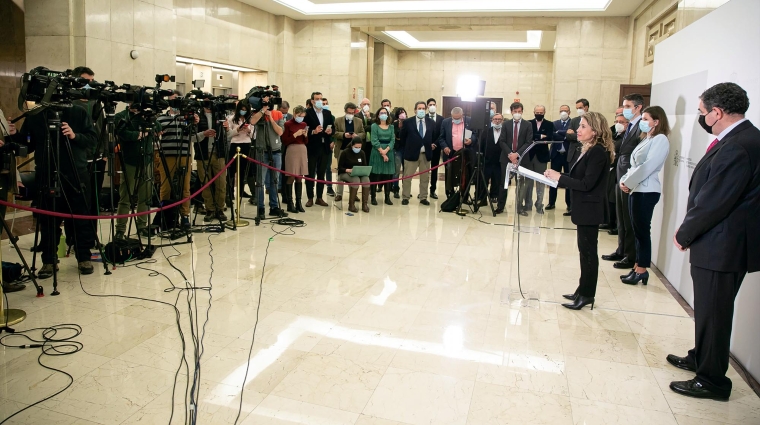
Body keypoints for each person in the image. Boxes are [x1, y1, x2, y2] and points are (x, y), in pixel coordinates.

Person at [668, 83, 760, 401]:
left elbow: (715, 200)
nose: (701, 117)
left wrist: (685, 233)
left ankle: (712, 380)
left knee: (716, 312)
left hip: (722, 246)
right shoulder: (742, 139)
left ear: (716, 113)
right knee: (708, 309)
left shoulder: (739, 145)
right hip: (720, 244)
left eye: (702, 112)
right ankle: (700, 356)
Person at [13, 102, 98, 276]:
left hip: (76, 174)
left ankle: (84, 257)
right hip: (47, 173)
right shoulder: (36, 115)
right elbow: (27, 146)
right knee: (48, 220)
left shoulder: (78, 112)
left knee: (81, 218)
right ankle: (49, 261)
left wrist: (75, 136)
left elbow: (92, 139)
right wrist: (14, 136)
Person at [544, 111, 613, 310]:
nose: (578, 130)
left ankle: (587, 295)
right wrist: (559, 177)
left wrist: (559, 177)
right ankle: (581, 290)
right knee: (584, 252)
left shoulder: (598, 151)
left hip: (590, 209)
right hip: (584, 208)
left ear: (595, 130)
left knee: (589, 254)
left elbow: (586, 183)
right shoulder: (588, 148)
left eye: (583, 126)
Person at [619, 106, 670, 285]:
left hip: (647, 190)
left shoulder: (661, 139)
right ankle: (636, 266)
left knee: (642, 232)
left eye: (646, 119)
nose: (643, 122)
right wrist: (623, 180)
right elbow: (634, 165)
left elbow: (648, 166)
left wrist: (628, 182)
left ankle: (642, 269)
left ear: (656, 121)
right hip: (636, 189)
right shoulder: (646, 139)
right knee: (637, 230)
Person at [602, 93, 644, 269]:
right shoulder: (630, 126)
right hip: (620, 176)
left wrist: (629, 179)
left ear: (637, 107)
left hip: (630, 179)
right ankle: (621, 249)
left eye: (627, 107)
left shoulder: (641, 127)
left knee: (628, 218)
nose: (625, 110)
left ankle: (630, 254)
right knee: (620, 216)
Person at [113, 104, 161, 240]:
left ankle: (142, 226)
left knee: (145, 196)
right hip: (130, 161)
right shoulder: (121, 116)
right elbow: (123, 133)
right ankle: (120, 230)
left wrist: (149, 118)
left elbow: (158, 129)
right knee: (125, 197)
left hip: (147, 160)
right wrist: (141, 134)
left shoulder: (146, 116)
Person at [249, 96, 287, 219]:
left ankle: (274, 207)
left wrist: (270, 117)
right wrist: (262, 110)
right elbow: (252, 122)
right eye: (266, 101)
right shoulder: (257, 113)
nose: (268, 103)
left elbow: (280, 131)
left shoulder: (278, 113)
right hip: (261, 151)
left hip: (276, 151)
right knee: (260, 182)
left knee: (274, 181)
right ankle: (260, 208)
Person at [194, 100, 229, 222]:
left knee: (221, 183)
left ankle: (219, 209)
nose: (208, 106)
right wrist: (204, 134)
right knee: (205, 183)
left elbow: (228, 136)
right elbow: (191, 137)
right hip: (202, 154)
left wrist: (227, 128)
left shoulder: (220, 116)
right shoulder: (197, 116)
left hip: (219, 154)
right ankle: (210, 209)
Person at [496, 102, 533, 215]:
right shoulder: (506, 124)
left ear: (522, 111)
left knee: (520, 183)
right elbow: (501, 141)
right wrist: (510, 154)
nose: (517, 113)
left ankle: (519, 207)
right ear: (511, 112)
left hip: (522, 159)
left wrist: (517, 154)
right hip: (506, 158)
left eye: (519, 111)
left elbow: (528, 142)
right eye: (515, 111)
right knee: (504, 182)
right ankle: (500, 206)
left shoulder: (528, 125)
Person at [400, 102, 437, 206]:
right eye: (419, 108)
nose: (421, 110)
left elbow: (434, 136)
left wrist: (432, 145)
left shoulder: (431, 122)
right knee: (407, 177)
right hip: (411, 154)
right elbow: (402, 137)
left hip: (425, 154)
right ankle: (406, 197)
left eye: (423, 108)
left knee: (425, 178)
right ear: (415, 110)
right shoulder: (408, 122)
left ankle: (423, 197)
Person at [438, 107, 477, 200]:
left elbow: (475, 134)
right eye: (454, 118)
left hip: (465, 152)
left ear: (462, 115)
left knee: (465, 174)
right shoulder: (445, 122)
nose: (456, 120)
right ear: (451, 116)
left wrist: (471, 140)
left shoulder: (469, 121)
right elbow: (441, 138)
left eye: (458, 118)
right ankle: (449, 194)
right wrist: (445, 147)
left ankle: (464, 196)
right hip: (451, 153)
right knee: (449, 174)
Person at [303, 91, 334, 207]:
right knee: (310, 173)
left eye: (321, 99)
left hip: (324, 146)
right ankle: (310, 197)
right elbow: (305, 131)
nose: (319, 101)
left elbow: (333, 127)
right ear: (312, 101)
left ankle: (319, 197)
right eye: (317, 99)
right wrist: (313, 132)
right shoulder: (307, 113)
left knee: (322, 173)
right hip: (312, 147)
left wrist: (331, 131)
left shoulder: (327, 112)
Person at [601, 113, 629, 234]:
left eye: (621, 122)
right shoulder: (615, 135)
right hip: (612, 170)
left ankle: (618, 224)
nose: (618, 124)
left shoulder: (626, 138)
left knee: (616, 199)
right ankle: (609, 221)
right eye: (616, 121)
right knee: (610, 196)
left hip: (621, 170)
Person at [333, 102, 366, 202]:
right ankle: (339, 194)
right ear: (345, 111)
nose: (351, 114)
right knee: (341, 171)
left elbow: (363, 133)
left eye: (352, 113)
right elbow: (335, 133)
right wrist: (344, 135)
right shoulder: (338, 120)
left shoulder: (359, 121)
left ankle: (354, 193)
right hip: (342, 149)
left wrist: (357, 136)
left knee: (354, 173)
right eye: (349, 112)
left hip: (354, 151)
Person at [562, 98, 590, 216]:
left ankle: (583, 208)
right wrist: (577, 135)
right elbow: (568, 136)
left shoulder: (591, 119)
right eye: (577, 108)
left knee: (583, 183)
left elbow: (579, 135)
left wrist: (574, 134)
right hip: (573, 155)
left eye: (580, 108)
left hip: (585, 154)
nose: (579, 110)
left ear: (586, 107)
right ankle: (572, 207)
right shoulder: (573, 120)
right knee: (572, 182)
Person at [225, 101, 254, 212]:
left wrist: (248, 130)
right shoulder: (232, 118)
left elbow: (253, 135)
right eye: (242, 109)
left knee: (243, 172)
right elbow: (229, 135)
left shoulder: (250, 120)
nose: (243, 111)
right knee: (231, 171)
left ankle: (240, 194)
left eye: (245, 109)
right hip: (235, 144)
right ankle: (230, 194)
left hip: (246, 144)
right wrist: (238, 130)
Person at [282, 105, 309, 213]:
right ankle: (290, 203)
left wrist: (306, 135)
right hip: (292, 150)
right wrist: (295, 135)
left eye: (303, 116)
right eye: (299, 115)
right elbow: (285, 141)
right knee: (291, 176)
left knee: (300, 177)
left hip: (302, 149)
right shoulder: (287, 124)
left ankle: (299, 202)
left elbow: (306, 142)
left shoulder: (304, 124)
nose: (301, 117)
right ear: (294, 114)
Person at [528, 105, 554, 214]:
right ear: (534, 112)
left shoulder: (549, 124)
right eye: (537, 112)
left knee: (541, 182)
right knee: (528, 182)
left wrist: (538, 137)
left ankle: (539, 204)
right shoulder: (528, 123)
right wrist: (541, 136)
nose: (539, 114)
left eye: (541, 112)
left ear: (544, 112)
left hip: (542, 157)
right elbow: (529, 137)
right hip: (529, 156)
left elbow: (550, 137)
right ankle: (527, 204)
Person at [337, 136, 371, 213]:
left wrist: (363, 171)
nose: (358, 149)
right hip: (345, 173)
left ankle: (364, 204)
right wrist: (347, 170)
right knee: (356, 179)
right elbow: (339, 168)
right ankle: (351, 205)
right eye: (356, 147)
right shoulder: (345, 152)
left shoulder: (362, 153)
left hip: (358, 173)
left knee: (366, 179)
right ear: (352, 145)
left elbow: (364, 165)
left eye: (359, 147)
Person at [548, 104, 572, 211]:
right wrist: (565, 134)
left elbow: (572, 136)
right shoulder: (554, 123)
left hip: (568, 156)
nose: (563, 112)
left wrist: (560, 133)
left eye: (566, 110)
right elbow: (552, 135)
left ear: (569, 112)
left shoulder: (573, 123)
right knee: (553, 180)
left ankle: (570, 204)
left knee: (569, 180)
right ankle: (551, 202)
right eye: (562, 110)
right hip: (556, 155)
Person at [369, 107, 395, 206]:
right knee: (375, 175)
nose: (383, 114)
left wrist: (387, 150)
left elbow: (393, 140)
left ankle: (387, 197)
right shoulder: (374, 126)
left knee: (387, 176)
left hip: (389, 151)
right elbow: (374, 140)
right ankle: (373, 197)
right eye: (381, 113)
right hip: (377, 152)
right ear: (378, 115)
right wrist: (382, 152)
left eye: (385, 113)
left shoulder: (391, 127)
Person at [478, 113, 504, 205]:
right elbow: (481, 145)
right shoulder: (486, 131)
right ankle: (483, 198)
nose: (497, 121)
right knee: (484, 179)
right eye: (495, 119)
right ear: (492, 120)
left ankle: (494, 196)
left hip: (499, 161)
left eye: (499, 119)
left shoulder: (505, 131)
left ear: (502, 121)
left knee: (497, 179)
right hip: (487, 160)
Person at [426, 98, 445, 199]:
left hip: (436, 148)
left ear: (436, 106)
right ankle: (423, 191)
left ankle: (433, 190)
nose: (432, 106)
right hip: (425, 148)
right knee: (424, 170)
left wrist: (435, 144)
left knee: (434, 169)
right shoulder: (424, 117)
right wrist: (428, 144)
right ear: (427, 106)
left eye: (433, 104)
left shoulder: (442, 119)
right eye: (430, 104)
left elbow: (442, 134)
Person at [391, 106, 408, 198]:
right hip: (397, 149)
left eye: (403, 112)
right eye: (400, 112)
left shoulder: (409, 123)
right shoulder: (394, 124)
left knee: (406, 171)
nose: (402, 114)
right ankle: (395, 189)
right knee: (396, 170)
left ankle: (406, 189)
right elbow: (396, 136)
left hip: (406, 149)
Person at [321, 97, 337, 197]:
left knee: (328, 167)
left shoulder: (332, 116)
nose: (325, 105)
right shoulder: (316, 116)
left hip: (328, 145)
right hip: (318, 145)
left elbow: (334, 130)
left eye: (326, 103)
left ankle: (329, 188)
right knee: (317, 168)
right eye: (323, 103)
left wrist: (333, 142)